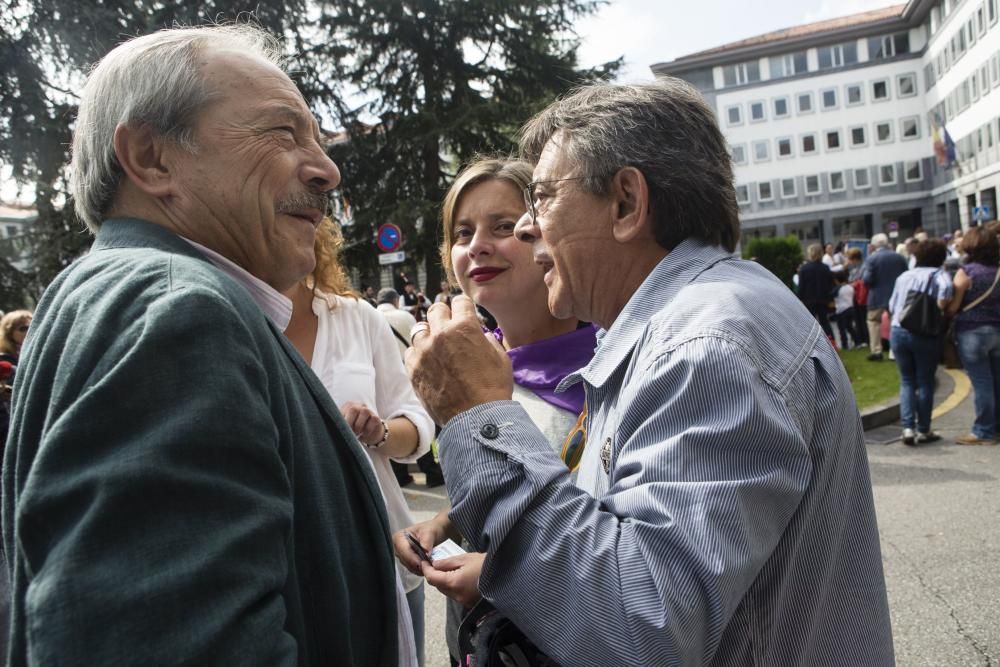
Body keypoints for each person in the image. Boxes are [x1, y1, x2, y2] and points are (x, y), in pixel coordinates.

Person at [404, 80, 893, 666]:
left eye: (542, 198)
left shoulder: (707, 346)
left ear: (627, 204)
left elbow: (640, 626)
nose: (529, 227)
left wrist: (476, 416)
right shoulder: (686, 326)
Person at [2, 25, 400, 665]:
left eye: (320, 141)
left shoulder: (133, 291)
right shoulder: (176, 312)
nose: (327, 170)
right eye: (282, 132)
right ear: (152, 159)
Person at [394, 158, 596, 665]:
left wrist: (497, 574)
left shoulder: (612, 369)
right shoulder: (460, 372)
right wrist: (443, 525)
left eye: (503, 227)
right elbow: (495, 483)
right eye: (462, 233)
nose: (477, 245)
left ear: (546, 234)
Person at [284, 219, 431, 665]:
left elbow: (417, 425)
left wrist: (379, 431)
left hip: (385, 555)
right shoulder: (236, 323)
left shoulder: (356, 317)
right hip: (294, 571)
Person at [887, 239, 953, 446]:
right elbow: (945, 297)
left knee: (906, 381)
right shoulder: (940, 276)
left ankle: (907, 428)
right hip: (925, 333)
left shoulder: (904, 276)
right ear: (941, 258)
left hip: (899, 331)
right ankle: (923, 429)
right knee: (925, 382)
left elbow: (892, 305)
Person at [946, 225, 1000, 445]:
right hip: (997, 330)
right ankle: (996, 426)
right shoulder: (997, 271)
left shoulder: (966, 272)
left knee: (982, 382)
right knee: (997, 380)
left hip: (972, 333)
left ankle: (984, 431)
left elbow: (953, 307)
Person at [863, 232, 909, 361]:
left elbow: (867, 279)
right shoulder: (899, 257)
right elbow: (906, 275)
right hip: (896, 295)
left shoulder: (872, 259)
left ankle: (876, 351)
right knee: (894, 323)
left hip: (877, 296)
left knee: (873, 322)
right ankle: (894, 351)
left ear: (874, 245)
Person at [797, 243, 835, 342]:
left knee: (810, 324)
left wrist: (799, 299)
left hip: (808, 300)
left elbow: (801, 287)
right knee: (825, 321)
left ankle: (811, 343)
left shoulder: (804, 269)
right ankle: (832, 341)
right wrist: (830, 298)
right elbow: (830, 285)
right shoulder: (825, 268)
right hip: (823, 299)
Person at [832, 270, 859, 350]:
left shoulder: (837, 289)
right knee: (850, 327)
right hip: (851, 308)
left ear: (836, 280)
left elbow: (832, 296)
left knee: (842, 329)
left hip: (841, 310)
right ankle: (857, 342)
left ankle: (845, 345)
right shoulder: (850, 287)